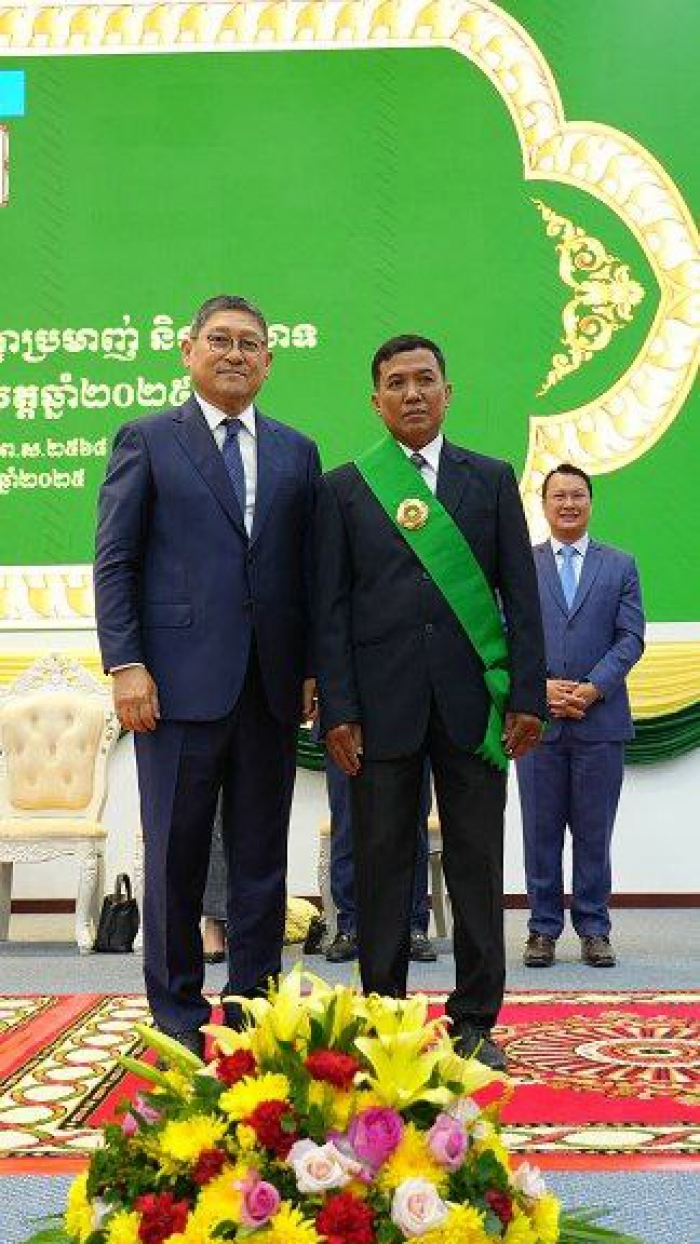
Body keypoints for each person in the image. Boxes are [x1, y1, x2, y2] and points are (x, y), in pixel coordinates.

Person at [94, 294, 320, 1056]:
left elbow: (306, 572)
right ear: (187, 350)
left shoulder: (297, 451)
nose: (234, 353)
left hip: (269, 687)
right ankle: (177, 1016)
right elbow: (117, 560)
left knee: (261, 860)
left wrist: (311, 668)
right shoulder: (149, 439)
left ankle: (253, 1007)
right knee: (176, 856)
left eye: (249, 343)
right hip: (173, 687)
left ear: (269, 361)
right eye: (218, 340)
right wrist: (127, 663)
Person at [315, 334, 546, 1069]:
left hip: (473, 710)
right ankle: (385, 1017)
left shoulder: (491, 478)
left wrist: (528, 695)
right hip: (378, 709)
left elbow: (521, 596)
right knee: (381, 866)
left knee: (477, 865)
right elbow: (331, 609)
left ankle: (475, 1019)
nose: (411, 393)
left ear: (448, 392)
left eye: (424, 380)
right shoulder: (345, 488)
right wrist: (339, 710)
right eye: (396, 383)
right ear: (375, 400)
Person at [516, 463, 645, 969]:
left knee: (594, 833)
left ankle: (594, 929)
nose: (568, 504)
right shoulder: (522, 565)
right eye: (559, 496)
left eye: (577, 496)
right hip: (537, 723)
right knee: (540, 833)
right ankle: (542, 929)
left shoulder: (620, 565)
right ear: (544, 504)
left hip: (600, 722)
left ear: (590, 503)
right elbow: (505, 633)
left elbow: (630, 637)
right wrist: (538, 687)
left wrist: (593, 688)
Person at [324, 755, 437, 963]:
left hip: (411, 738)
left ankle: (412, 926)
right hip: (347, 737)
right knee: (347, 826)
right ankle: (350, 926)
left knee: (411, 824)